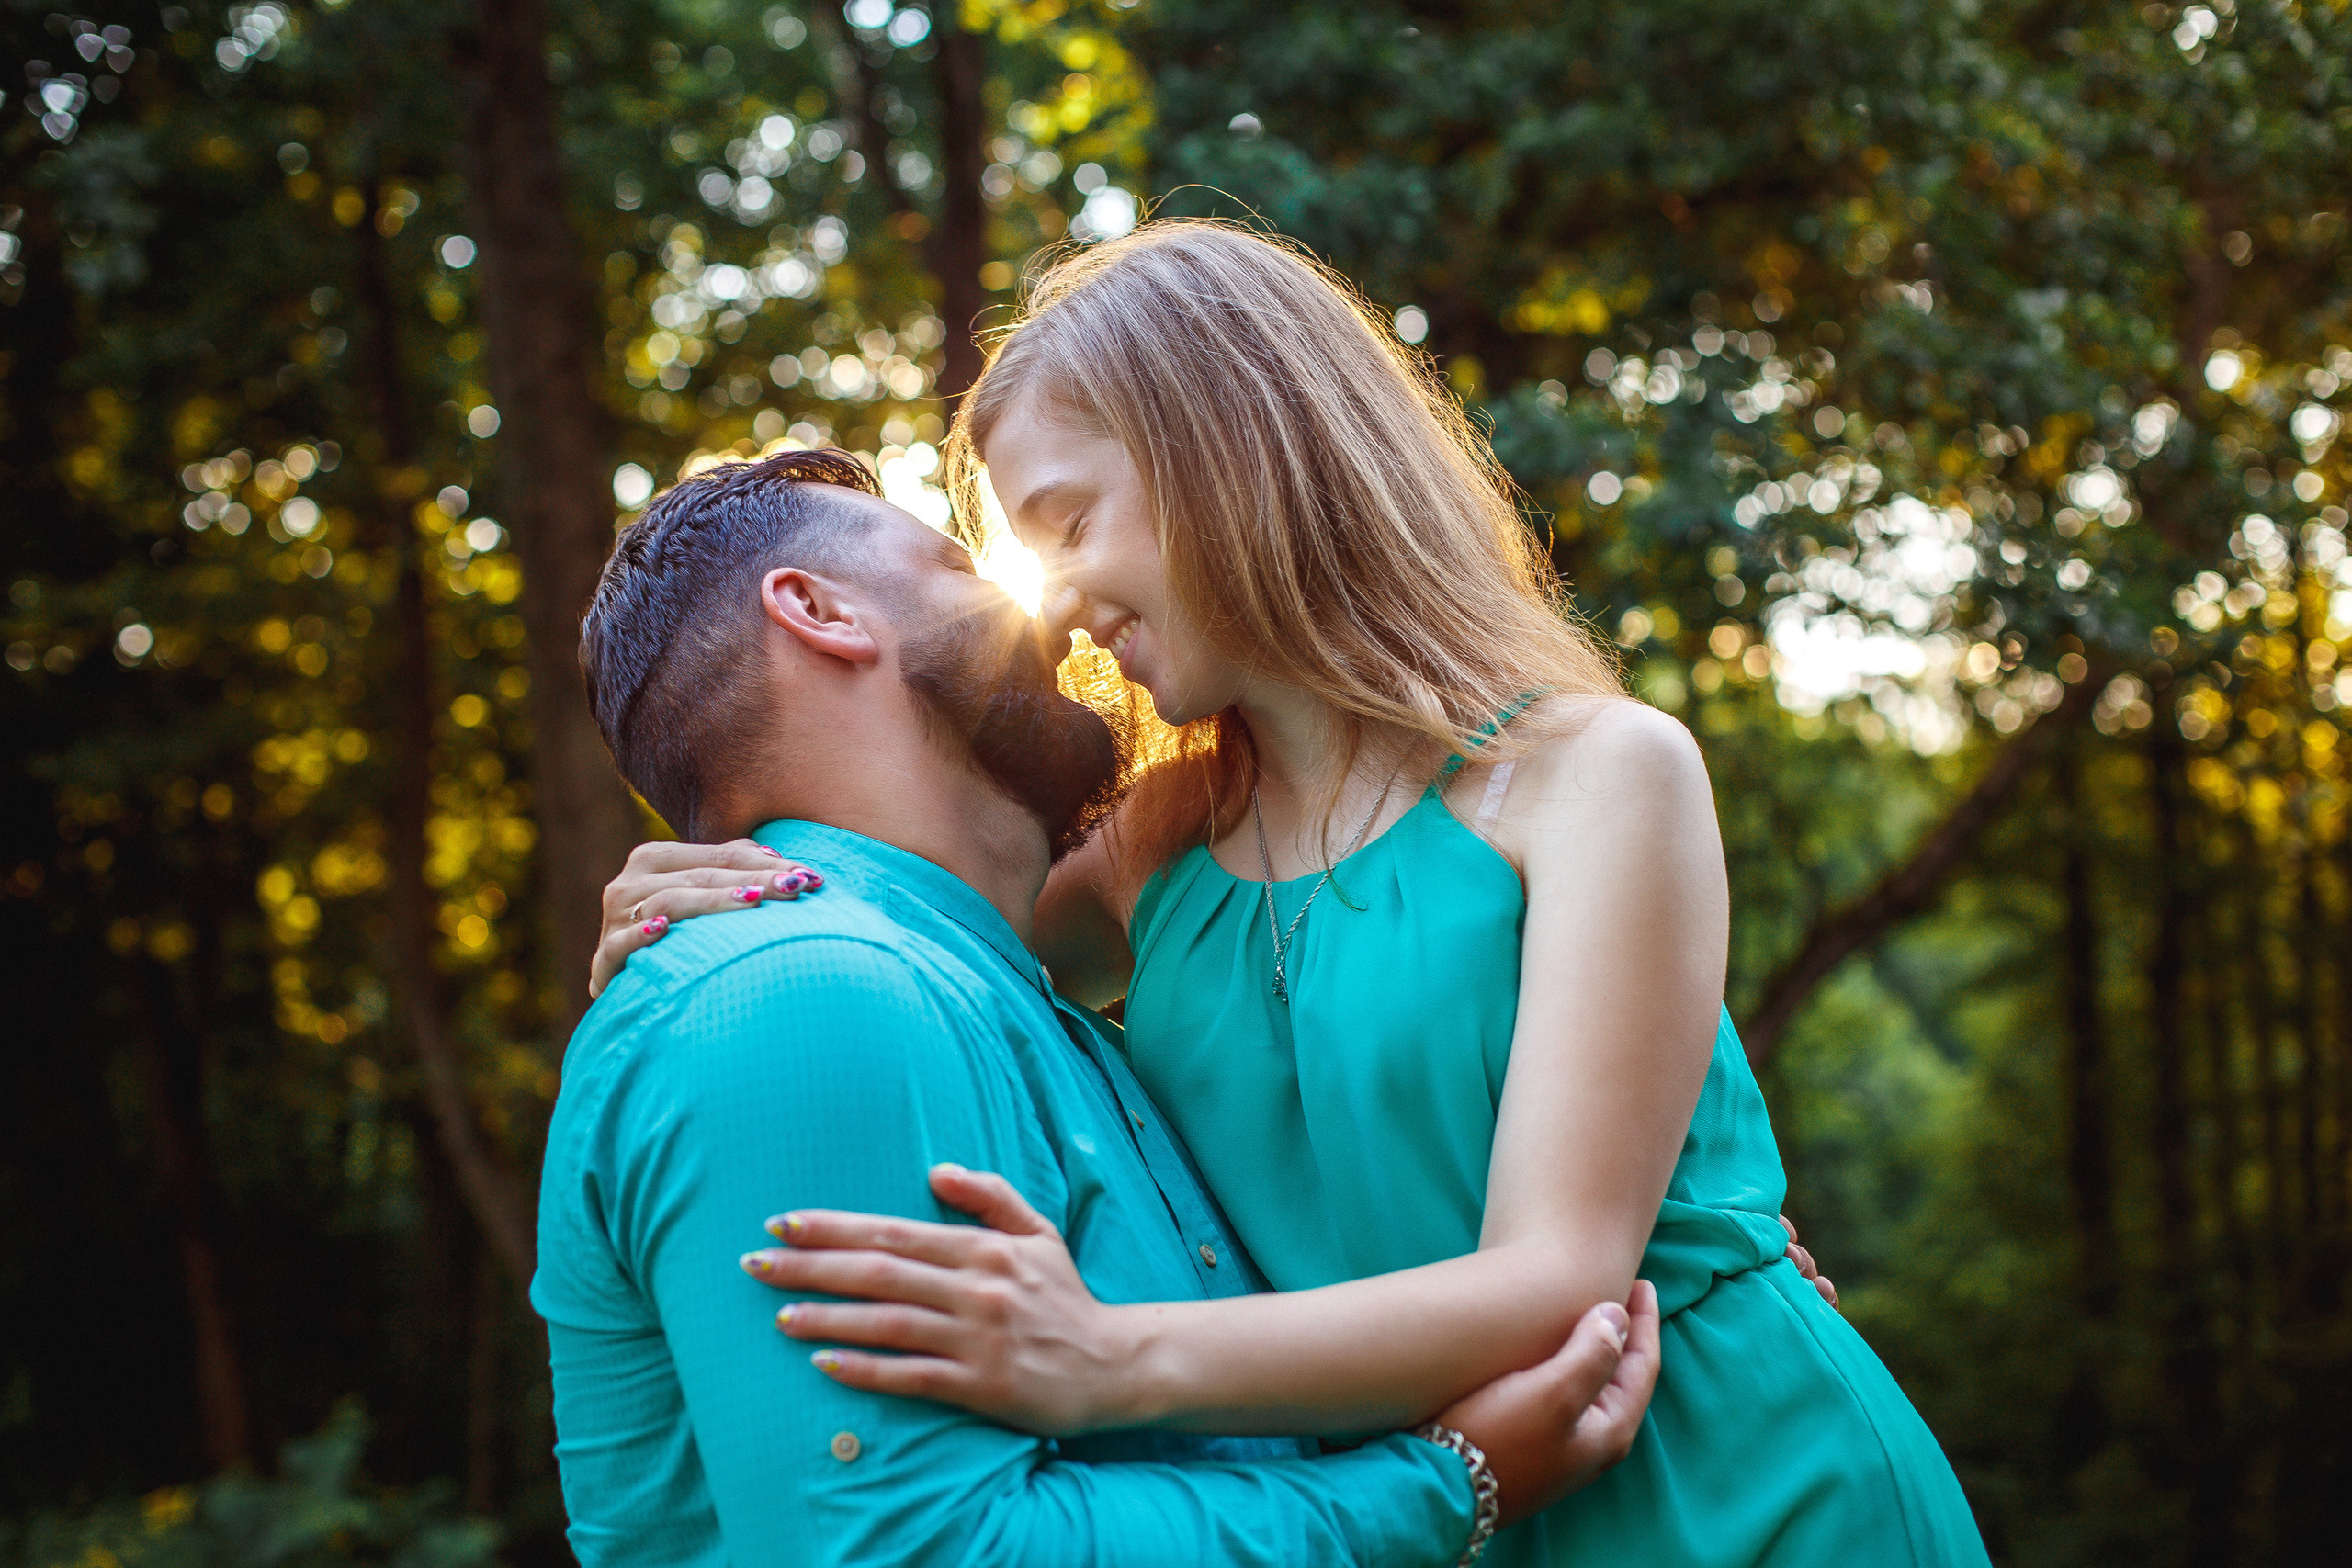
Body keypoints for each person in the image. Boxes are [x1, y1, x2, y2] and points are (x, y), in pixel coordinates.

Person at [593, 223, 1989, 1566]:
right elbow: (914, 950)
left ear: (1229, 453)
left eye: (1069, 520)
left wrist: (1105, 1359)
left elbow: (1560, 1277)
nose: (1058, 606)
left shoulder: (1600, 773)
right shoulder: (1152, 854)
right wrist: (710, 878)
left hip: (1736, 1473)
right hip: (1464, 1504)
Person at [539, 446, 1664, 1568]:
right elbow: (912, 1550)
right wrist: (1442, 1485)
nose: (1055, 616)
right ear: (823, 612)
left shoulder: (1001, 994)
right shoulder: (797, 997)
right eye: (954, 562)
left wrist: (1708, 1243)